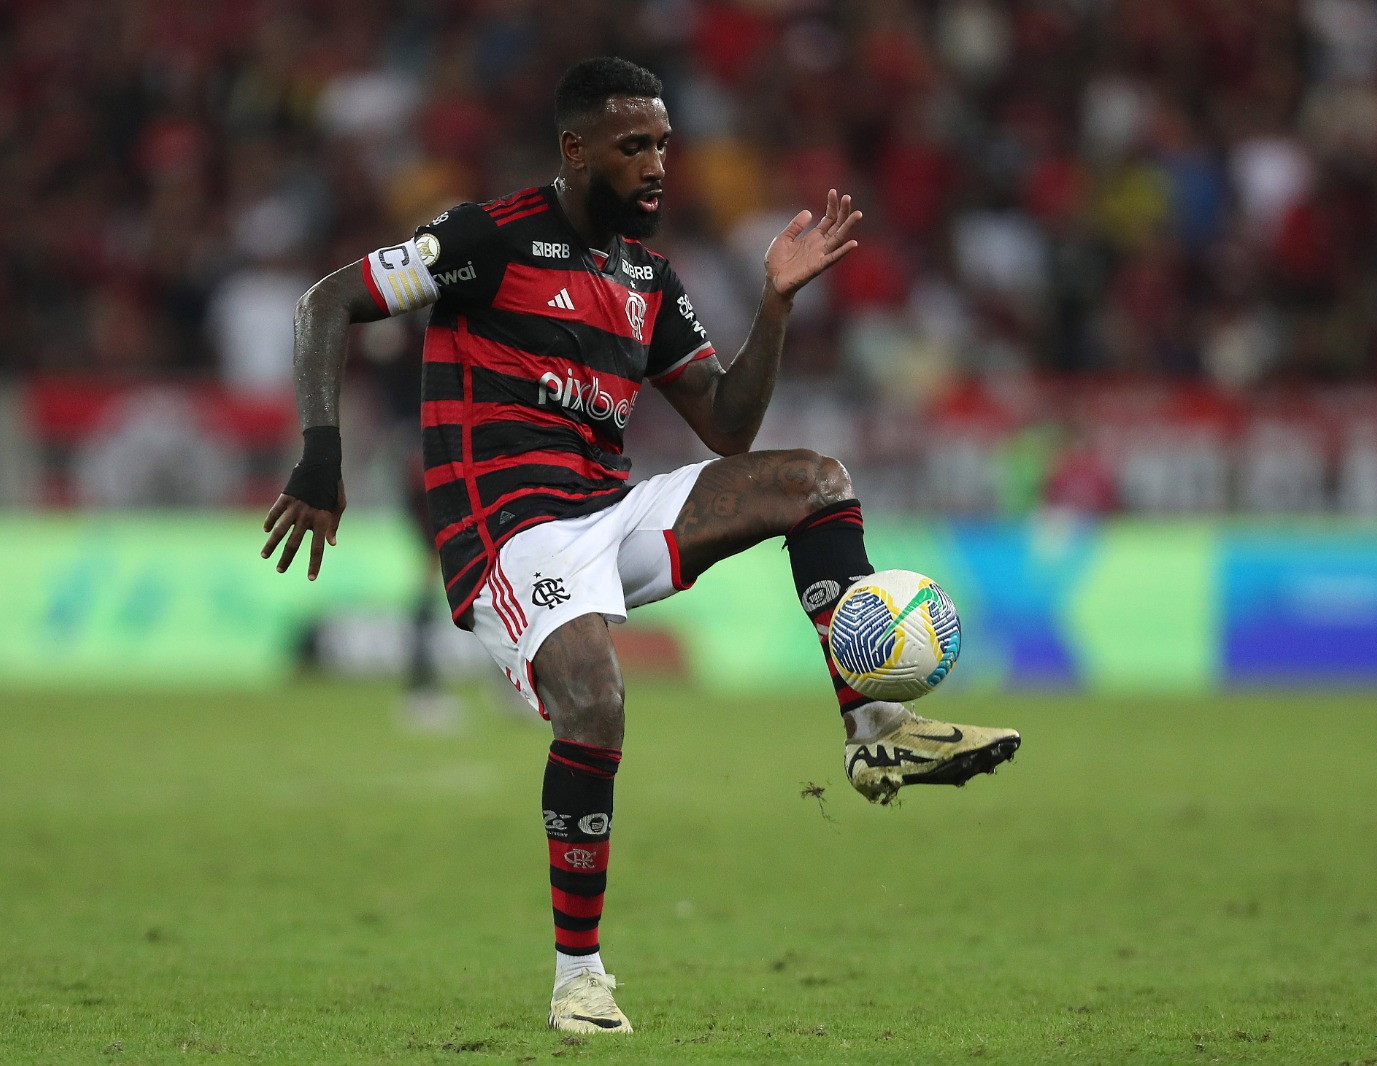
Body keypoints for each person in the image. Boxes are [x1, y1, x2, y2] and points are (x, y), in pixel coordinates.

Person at [261, 57, 1020, 1035]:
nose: (658, 164)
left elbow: (728, 427)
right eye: (633, 147)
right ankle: (579, 976)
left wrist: (775, 305)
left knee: (812, 480)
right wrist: (320, 459)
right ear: (576, 151)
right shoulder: (484, 240)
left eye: (663, 143)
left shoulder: (645, 279)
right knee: (598, 699)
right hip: (507, 531)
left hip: (607, 512)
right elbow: (326, 301)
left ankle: (874, 731)